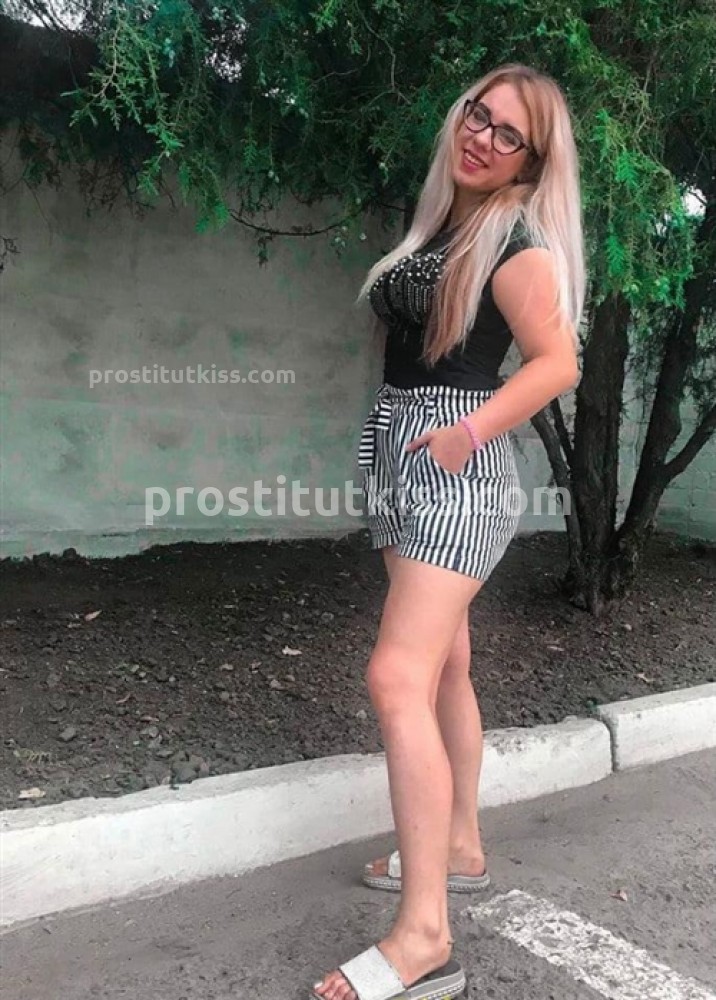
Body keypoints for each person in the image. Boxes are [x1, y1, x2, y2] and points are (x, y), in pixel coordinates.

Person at [310, 63, 585, 1000]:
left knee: (397, 677)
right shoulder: (445, 222)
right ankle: (461, 843)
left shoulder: (516, 238)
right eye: (479, 114)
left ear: (530, 162)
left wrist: (468, 432)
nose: (484, 137)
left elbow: (557, 362)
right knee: (447, 665)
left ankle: (424, 934)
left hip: (454, 466)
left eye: (510, 134)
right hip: (402, 447)